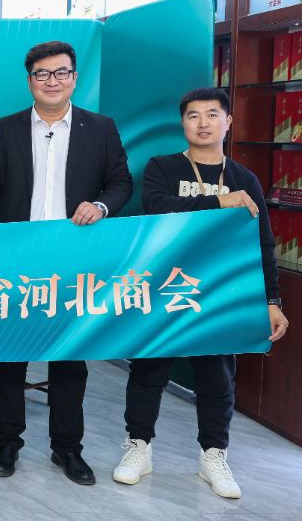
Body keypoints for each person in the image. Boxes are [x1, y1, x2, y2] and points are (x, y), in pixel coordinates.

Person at [112, 87, 289, 498]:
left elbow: (262, 243)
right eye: (194, 115)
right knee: (148, 369)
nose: (203, 123)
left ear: (228, 122)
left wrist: (272, 301)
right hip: (164, 287)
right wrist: (219, 202)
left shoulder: (245, 179)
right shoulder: (163, 167)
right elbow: (158, 208)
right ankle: (139, 447)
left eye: (212, 114)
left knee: (216, 376)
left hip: (219, 292)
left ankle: (213, 455)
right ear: (183, 123)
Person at [0, 40, 133, 486]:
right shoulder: (4, 129)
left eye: (60, 72)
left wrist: (100, 206)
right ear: (30, 81)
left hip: (74, 261)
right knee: (11, 356)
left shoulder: (99, 128)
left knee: (69, 358)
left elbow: (121, 183)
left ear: (74, 78)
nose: (52, 81)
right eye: (42, 74)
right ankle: (7, 443)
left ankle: (67, 448)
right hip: (16, 260)